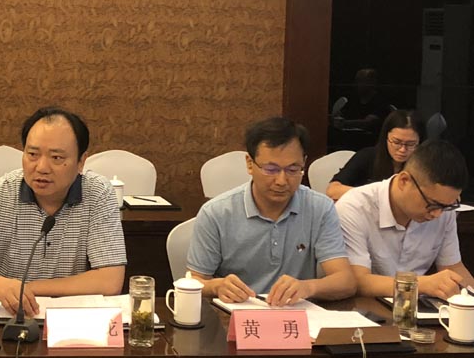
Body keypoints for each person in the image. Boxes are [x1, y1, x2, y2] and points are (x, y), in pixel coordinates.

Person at [0, 107, 127, 317]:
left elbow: (110, 280)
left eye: (56, 157)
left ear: (81, 162)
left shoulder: (98, 193)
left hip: (71, 319)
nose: (41, 167)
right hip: (10, 318)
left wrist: (27, 288)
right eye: (32, 154)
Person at [187, 117, 356, 306]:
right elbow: (194, 281)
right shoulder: (216, 213)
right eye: (271, 169)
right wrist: (216, 286)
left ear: (304, 163)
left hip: (296, 314)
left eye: (293, 169)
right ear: (249, 163)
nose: (282, 181)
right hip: (237, 315)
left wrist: (308, 287)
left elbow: (345, 281)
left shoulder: (320, 208)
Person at [336, 140, 474, 299]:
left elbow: (453, 267)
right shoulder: (355, 207)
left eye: (447, 206)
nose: (437, 214)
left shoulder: (443, 210)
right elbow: (357, 282)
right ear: (404, 181)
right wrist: (420, 284)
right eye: (432, 204)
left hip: (415, 307)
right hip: (363, 307)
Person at [326, 110, 426, 201]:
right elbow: (333, 190)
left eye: (410, 144)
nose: (402, 149)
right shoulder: (367, 156)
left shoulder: (424, 165)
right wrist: (375, 195)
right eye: (396, 142)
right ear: (386, 138)